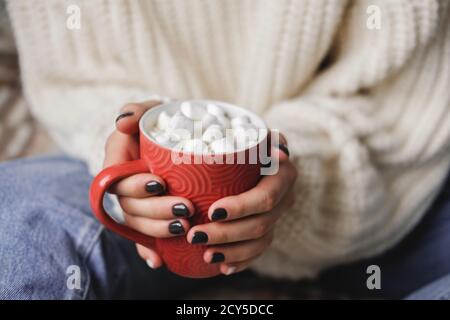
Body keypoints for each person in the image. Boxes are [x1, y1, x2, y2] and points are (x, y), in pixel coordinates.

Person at [0, 0, 449, 299]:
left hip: (384, 183)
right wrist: (128, 152)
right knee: (15, 229)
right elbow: (70, 75)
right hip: (114, 171)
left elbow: (405, 104)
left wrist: (300, 178)